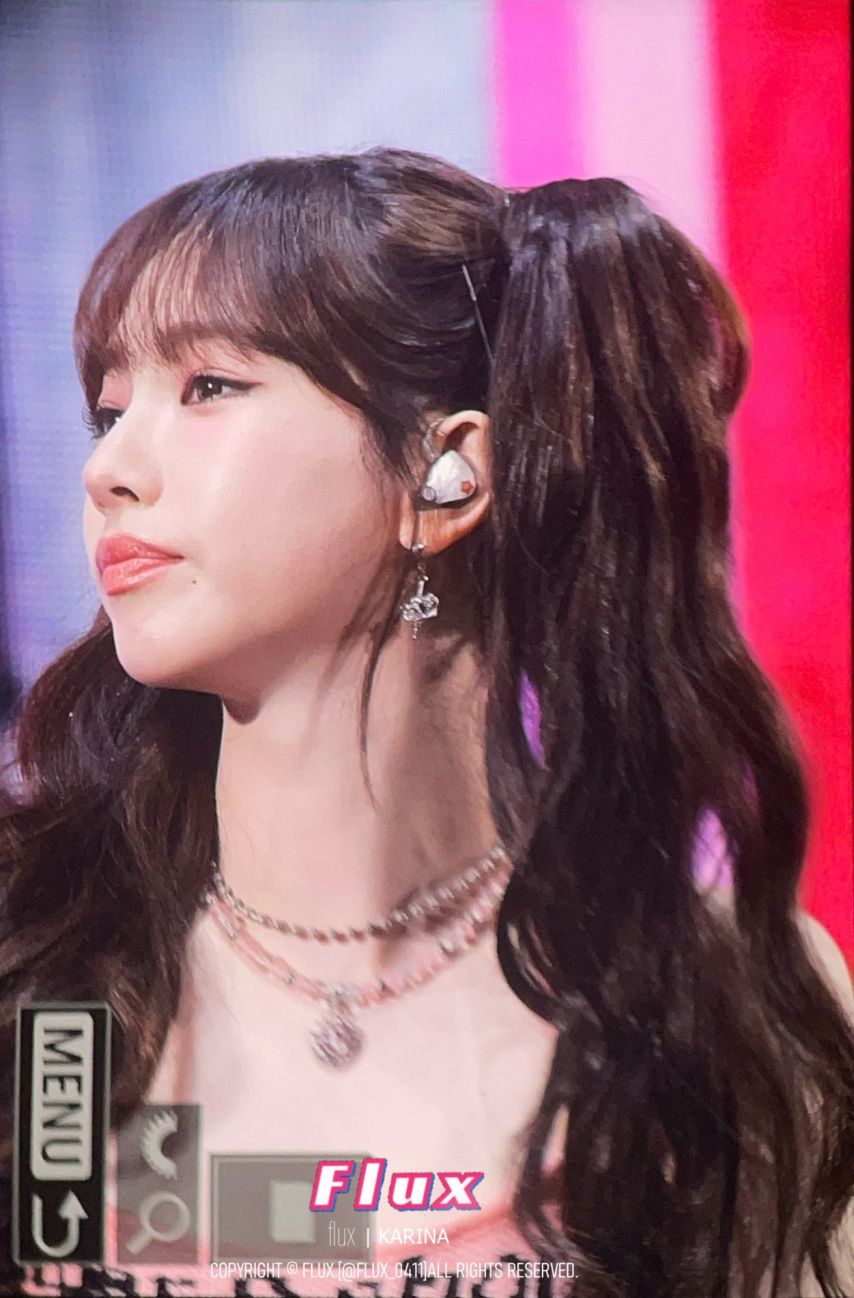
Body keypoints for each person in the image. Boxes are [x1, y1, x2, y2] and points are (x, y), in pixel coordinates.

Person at [0, 146, 852, 1298]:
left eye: (208, 386)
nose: (109, 468)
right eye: (109, 410)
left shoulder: (701, 997)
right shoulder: (54, 967)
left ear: (443, 475)